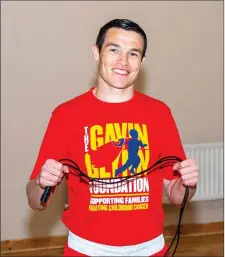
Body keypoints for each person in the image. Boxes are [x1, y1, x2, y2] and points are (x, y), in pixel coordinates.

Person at [26, 19, 199, 256]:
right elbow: (35, 201)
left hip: (150, 249)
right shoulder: (66, 115)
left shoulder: (159, 113)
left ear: (142, 62)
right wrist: (40, 183)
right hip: (86, 250)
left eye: (133, 54)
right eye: (114, 49)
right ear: (97, 52)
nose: (123, 62)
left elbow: (178, 196)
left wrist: (188, 184)